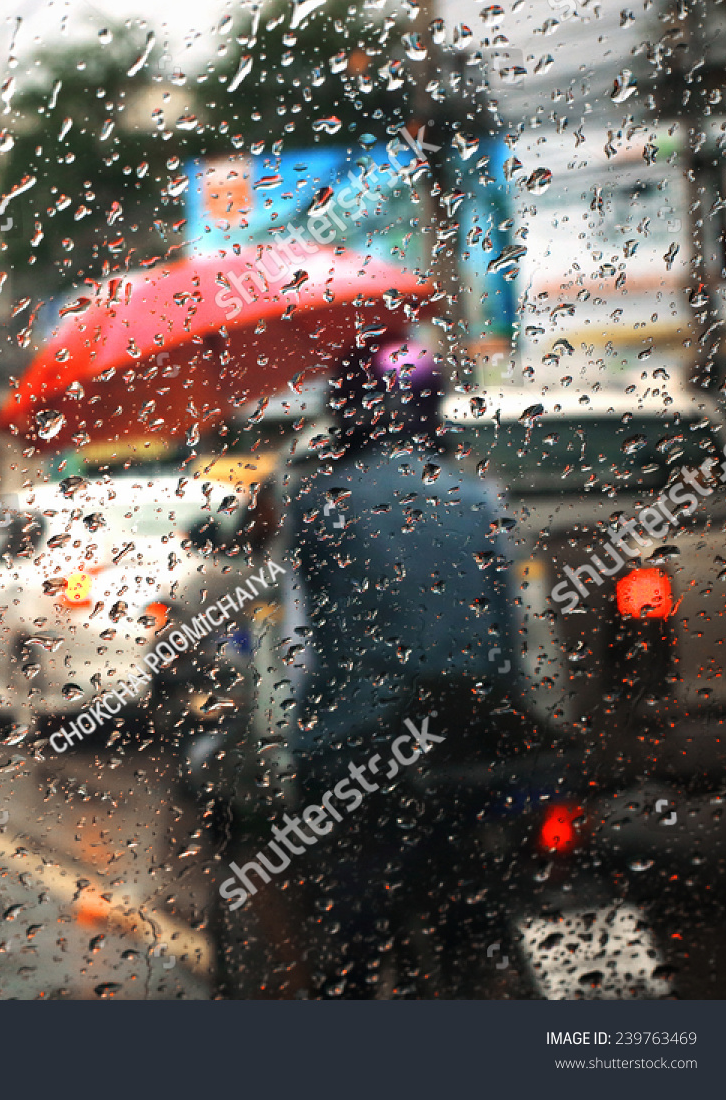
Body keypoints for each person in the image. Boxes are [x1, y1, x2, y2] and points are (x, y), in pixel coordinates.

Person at [266, 335, 543, 997]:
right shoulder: (481, 497)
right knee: (468, 915)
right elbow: (523, 631)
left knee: (351, 931)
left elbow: (297, 648)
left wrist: (287, 742)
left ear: (345, 407)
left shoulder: (318, 502)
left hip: (354, 754)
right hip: (475, 742)